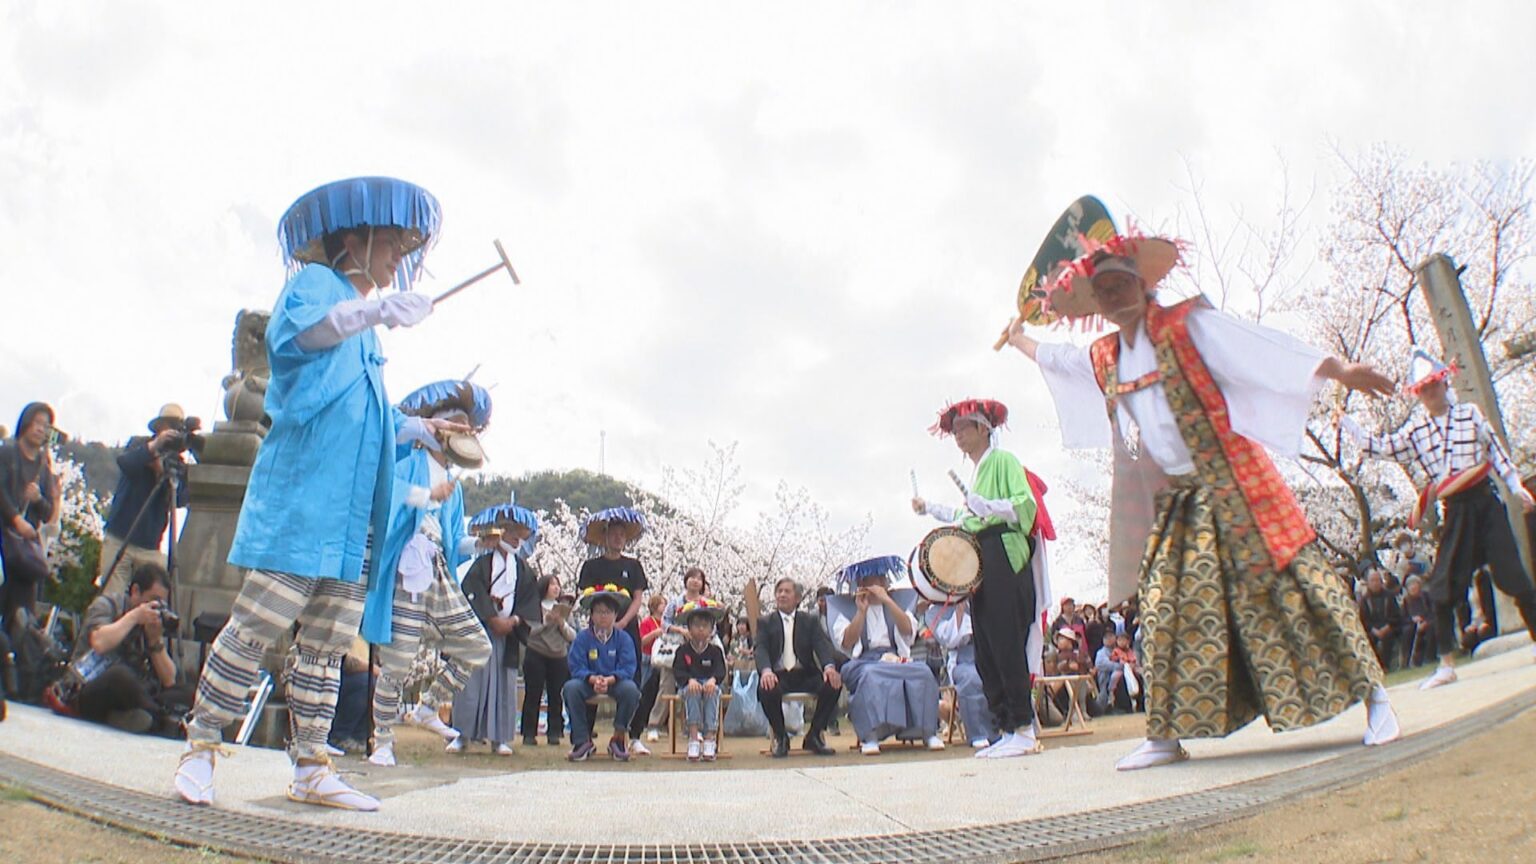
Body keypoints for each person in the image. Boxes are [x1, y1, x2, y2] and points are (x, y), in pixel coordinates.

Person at [1009, 226, 1400, 770]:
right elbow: (1058, 361)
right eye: (1105, 291)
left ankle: (1376, 701)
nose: (1115, 296)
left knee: (1297, 587)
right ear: (1096, 303)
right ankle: (1166, 735)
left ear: (1141, 284)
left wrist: (1337, 370)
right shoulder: (1103, 356)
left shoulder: (1186, 324)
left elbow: (1259, 348)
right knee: (1167, 606)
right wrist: (1018, 339)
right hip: (1182, 503)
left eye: (1122, 283)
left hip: (1237, 485)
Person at [175, 177, 457, 811]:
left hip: (354, 514)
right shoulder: (314, 289)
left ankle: (311, 764)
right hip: (306, 505)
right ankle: (199, 747)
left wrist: (421, 427)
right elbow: (299, 340)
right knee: (253, 629)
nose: (399, 258)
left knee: (328, 648)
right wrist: (373, 310)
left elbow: (371, 415)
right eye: (392, 243)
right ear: (353, 240)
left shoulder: (369, 334)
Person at [1341, 349, 1536, 688]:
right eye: (1424, 389)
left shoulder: (1469, 414)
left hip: (1485, 502)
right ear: (1418, 395)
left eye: (1435, 386)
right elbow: (1380, 446)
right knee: (1442, 587)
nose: (1431, 393)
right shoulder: (1416, 431)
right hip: (1455, 509)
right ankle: (1446, 663)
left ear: (1445, 383)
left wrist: (1515, 485)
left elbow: (1496, 451)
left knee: (1513, 575)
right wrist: (1347, 423)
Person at [913, 398, 1054, 759]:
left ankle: (1023, 727)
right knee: (987, 648)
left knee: (1006, 641)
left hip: (1002, 553)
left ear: (983, 428)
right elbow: (965, 514)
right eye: (955, 430)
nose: (958, 435)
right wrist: (929, 507)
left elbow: (1025, 506)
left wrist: (988, 507)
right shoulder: (979, 472)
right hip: (980, 556)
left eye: (964, 428)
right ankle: (1006, 727)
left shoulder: (1004, 461)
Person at [365, 379, 495, 767]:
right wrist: (425, 496)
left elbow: (453, 541)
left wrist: (479, 546)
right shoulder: (407, 465)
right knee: (397, 660)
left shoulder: (454, 489)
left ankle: (428, 705)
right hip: (408, 571)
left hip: (438, 571)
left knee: (477, 645)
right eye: (452, 423)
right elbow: (386, 495)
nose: (460, 431)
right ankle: (382, 740)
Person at [58, 562, 191, 736]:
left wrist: (154, 641)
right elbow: (99, 642)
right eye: (152, 600)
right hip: (87, 688)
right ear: (135, 591)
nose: (155, 608)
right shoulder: (107, 605)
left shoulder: (150, 622)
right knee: (120, 675)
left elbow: (169, 680)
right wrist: (134, 617)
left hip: (131, 693)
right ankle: (161, 720)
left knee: (186, 691)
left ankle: (134, 718)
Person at [828, 559, 943, 755]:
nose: (880, 584)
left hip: (895, 659)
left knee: (922, 672)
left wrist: (888, 601)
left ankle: (927, 732)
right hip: (863, 662)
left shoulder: (899, 602)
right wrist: (861, 612)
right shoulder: (845, 607)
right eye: (874, 580)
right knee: (871, 676)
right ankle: (871, 736)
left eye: (882, 580)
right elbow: (847, 642)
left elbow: (908, 630)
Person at [455, 501, 542, 754]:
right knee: (471, 683)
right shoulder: (481, 565)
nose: (516, 540)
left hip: (508, 636)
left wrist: (513, 621)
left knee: (504, 686)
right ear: (500, 533)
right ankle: (462, 735)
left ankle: (500, 738)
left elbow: (529, 601)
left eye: (520, 535)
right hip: (480, 631)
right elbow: (471, 590)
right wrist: (491, 617)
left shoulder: (524, 570)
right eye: (511, 533)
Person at [96, 405, 194, 598]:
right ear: (158, 427)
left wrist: (162, 474)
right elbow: (126, 463)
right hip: (119, 537)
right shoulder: (139, 445)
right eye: (169, 427)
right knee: (111, 598)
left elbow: (183, 498)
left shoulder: (177, 465)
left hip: (150, 544)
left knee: (156, 599)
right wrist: (154, 448)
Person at [756, 577, 843, 757]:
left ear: (797, 598)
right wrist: (766, 671)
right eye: (779, 591)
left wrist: (828, 667)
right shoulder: (765, 622)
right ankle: (781, 737)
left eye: (787, 591)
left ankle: (814, 735)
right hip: (778, 674)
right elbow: (761, 649)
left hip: (805, 673)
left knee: (833, 684)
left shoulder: (809, 621)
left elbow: (821, 645)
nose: (782, 595)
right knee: (766, 689)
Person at [562, 586, 641, 762]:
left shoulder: (623, 638)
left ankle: (618, 738)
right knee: (570, 688)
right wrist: (591, 678)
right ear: (591, 615)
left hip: (615, 682)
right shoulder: (583, 637)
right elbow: (575, 664)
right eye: (598, 612)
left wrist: (611, 679)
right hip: (588, 682)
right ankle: (582, 740)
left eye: (607, 612)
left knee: (631, 690)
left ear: (615, 615)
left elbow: (628, 666)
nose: (603, 616)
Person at [1, 402, 59, 634]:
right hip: (4, 537)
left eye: (45, 426)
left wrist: (38, 499)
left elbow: (46, 513)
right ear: (25, 424)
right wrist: (16, 519)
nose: (40, 429)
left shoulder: (44, 468)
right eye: (36, 423)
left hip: (23, 552)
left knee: (21, 618)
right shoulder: (6, 452)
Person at [521, 574, 576, 746]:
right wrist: (546, 621)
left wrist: (561, 623)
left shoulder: (565, 609)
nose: (555, 587)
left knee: (556, 695)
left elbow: (572, 635)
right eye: (552, 584)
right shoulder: (535, 606)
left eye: (557, 584)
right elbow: (529, 631)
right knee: (533, 694)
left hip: (558, 655)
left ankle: (554, 732)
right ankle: (529, 733)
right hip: (536, 652)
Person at [931, 599, 995, 748]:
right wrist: (960, 610)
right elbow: (949, 641)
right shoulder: (934, 611)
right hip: (962, 657)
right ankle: (979, 733)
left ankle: (1013, 727)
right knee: (971, 678)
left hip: (990, 652)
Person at [672, 598, 728, 761]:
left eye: (705, 626)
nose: (701, 629)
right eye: (696, 625)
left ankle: (710, 737)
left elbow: (720, 670)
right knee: (692, 692)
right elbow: (678, 671)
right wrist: (689, 680)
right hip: (689, 686)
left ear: (712, 629)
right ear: (689, 628)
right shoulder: (682, 651)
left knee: (714, 692)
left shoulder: (716, 651)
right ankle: (694, 737)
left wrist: (712, 680)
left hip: (710, 685)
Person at [1357, 569, 1401, 672]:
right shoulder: (1364, 600)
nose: (1375, 583)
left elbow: (1397, 616)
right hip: (1373, 630)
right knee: (1368, 640)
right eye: (1372, 580)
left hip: (1389, 627)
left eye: (1377, 580)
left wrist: (1387, 627)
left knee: (1388, 638)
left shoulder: (1389, 596)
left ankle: (1386, 666)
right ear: (1368, 583)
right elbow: (1364, 620)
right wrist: (1374, 630)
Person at [1398, 577, 1435, 669]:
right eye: (1410, 585)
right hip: (1412, 624)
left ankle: (1429, 657)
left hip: (1427, 622)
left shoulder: (1426, 596)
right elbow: (1403, 618)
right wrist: (1412, 619)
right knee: (1407, 631)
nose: (1413, 587)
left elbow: (1433, 611)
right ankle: (1407, 661)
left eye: (1415, 584)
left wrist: (1426, 621)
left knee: (1431, 628)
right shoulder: (1406, 601)